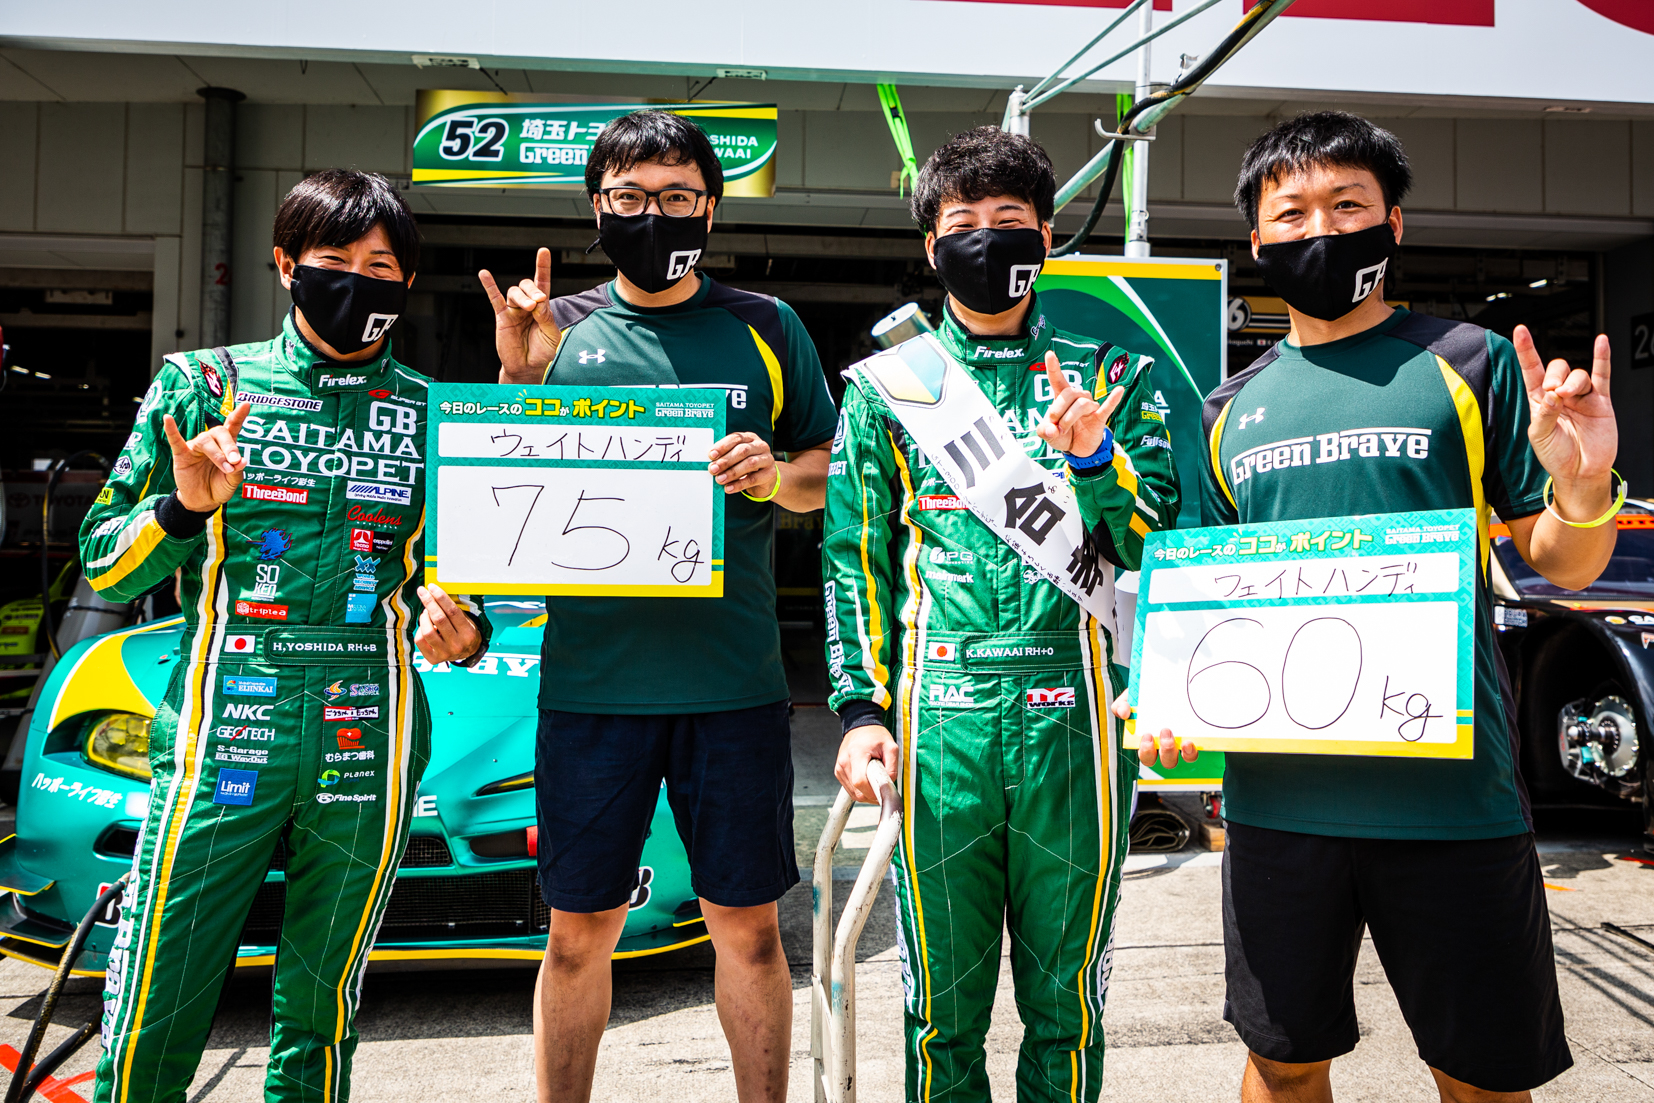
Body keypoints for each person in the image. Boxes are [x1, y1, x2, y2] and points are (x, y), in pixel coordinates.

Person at [1131, 111, 1616, 1103]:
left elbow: (1563, 561)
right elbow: (1202, 611)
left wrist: (1582, 484)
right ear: (1258, 240)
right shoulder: (1226, 412)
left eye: (1347, 204)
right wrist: (1173, 717)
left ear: (1392, 223)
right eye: (1292, 211)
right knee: (1281, 1059)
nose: (1321, 227)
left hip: (1453, 805)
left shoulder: (1469, 362)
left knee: (1480, 1071)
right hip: (1277, 807)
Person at [81, 169, 490, 1103]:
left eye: (380, 265)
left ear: (407, 281)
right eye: (333, 261)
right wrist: (183, 509)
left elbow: (467, 598)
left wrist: (464, 634)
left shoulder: (436, 413)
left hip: (370, 738)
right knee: (159, 985)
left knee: (322, 1001)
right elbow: (104, 562)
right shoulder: (200, 386)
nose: (357, 281)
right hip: (222, 732)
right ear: (284, 266)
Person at [483, 110, 836, 1103]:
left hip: (733, 687)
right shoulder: (563, 329)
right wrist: (518, 372)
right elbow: (506, 499)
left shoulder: (766, 325)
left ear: (711, 208)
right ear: (597, 208)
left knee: (750, 925)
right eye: (631, 199)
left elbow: (826, 471)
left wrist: (775, 475)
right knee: (575, 929)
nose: (655, 214)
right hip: (592, 688)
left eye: (677, 196)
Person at [825, 126, 1180, 1103]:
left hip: (1080, 716)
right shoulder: (889, 390)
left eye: (1008, 222)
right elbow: (854, 562)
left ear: (1047, 235)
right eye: (962, 224)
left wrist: (1095, 462)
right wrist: (860, 714)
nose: (985, 240)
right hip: (940, 720)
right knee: (939, 1010)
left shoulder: (1112, 372)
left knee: (1068, 1005)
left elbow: (1154, 544)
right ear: (930, 243)